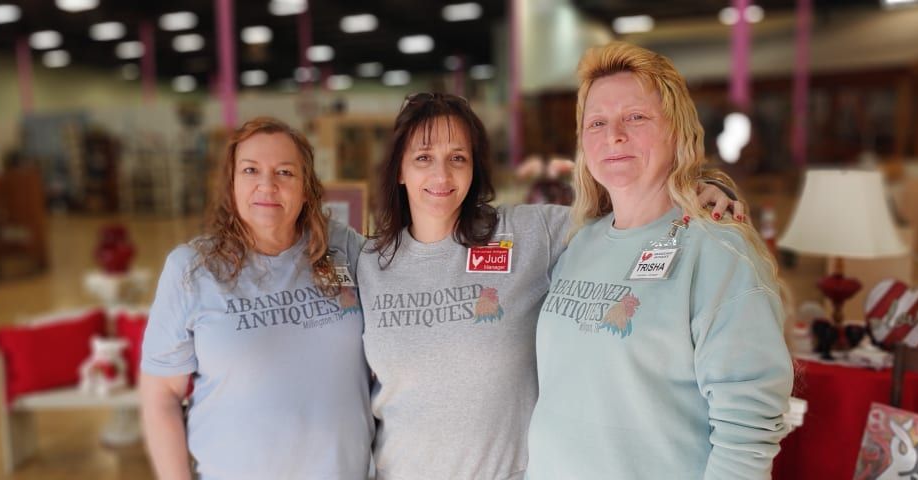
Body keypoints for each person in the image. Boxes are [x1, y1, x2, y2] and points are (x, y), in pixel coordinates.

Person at [356, 93, 742, 479]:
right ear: (400, 170)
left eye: (458, 157)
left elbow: (630, 206)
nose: (441, 175)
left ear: (474, 168)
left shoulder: (525, 234)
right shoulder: (369, 261)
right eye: (423, 158)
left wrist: (695, 187)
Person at [525, 42, 793, 479]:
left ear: (677, 131)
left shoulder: (718, 252)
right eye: (597, 122)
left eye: (636, 117)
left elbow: (748, 432)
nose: (613, 135)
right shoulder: (577, 242)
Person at [139, 117, 372, 479]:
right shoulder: (191, 270)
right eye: (250, 170)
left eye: (285, 172)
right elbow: (160, 396)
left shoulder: (346, 249)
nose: (267, 185)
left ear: (307, 188)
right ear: (231, 184)